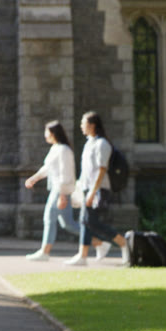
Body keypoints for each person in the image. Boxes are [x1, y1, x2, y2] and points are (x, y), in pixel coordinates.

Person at [64, 111, 130, 266]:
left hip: (99, 189)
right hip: (87, 188)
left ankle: (122, 243)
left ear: (92, 125)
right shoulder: (89, 143)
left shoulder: (102, 144)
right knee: (85, 222)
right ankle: (84, 255)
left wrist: (93, 192)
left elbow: (102, 169)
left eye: (83, 123)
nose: (81, 126)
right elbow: (87, 170)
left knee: (88, 221)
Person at [22, 120, 77, 260]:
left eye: (47, 132)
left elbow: (66, 173)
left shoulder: (64, 150)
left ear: (53, 133)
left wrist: (63, 195)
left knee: (49, 218)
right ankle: (99, 241)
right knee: (68, 224)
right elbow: (47, 169)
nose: (45, 135)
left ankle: (44, 252)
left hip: (60, 191)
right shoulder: (56, 148)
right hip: (57, 190)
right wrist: (34, 178)